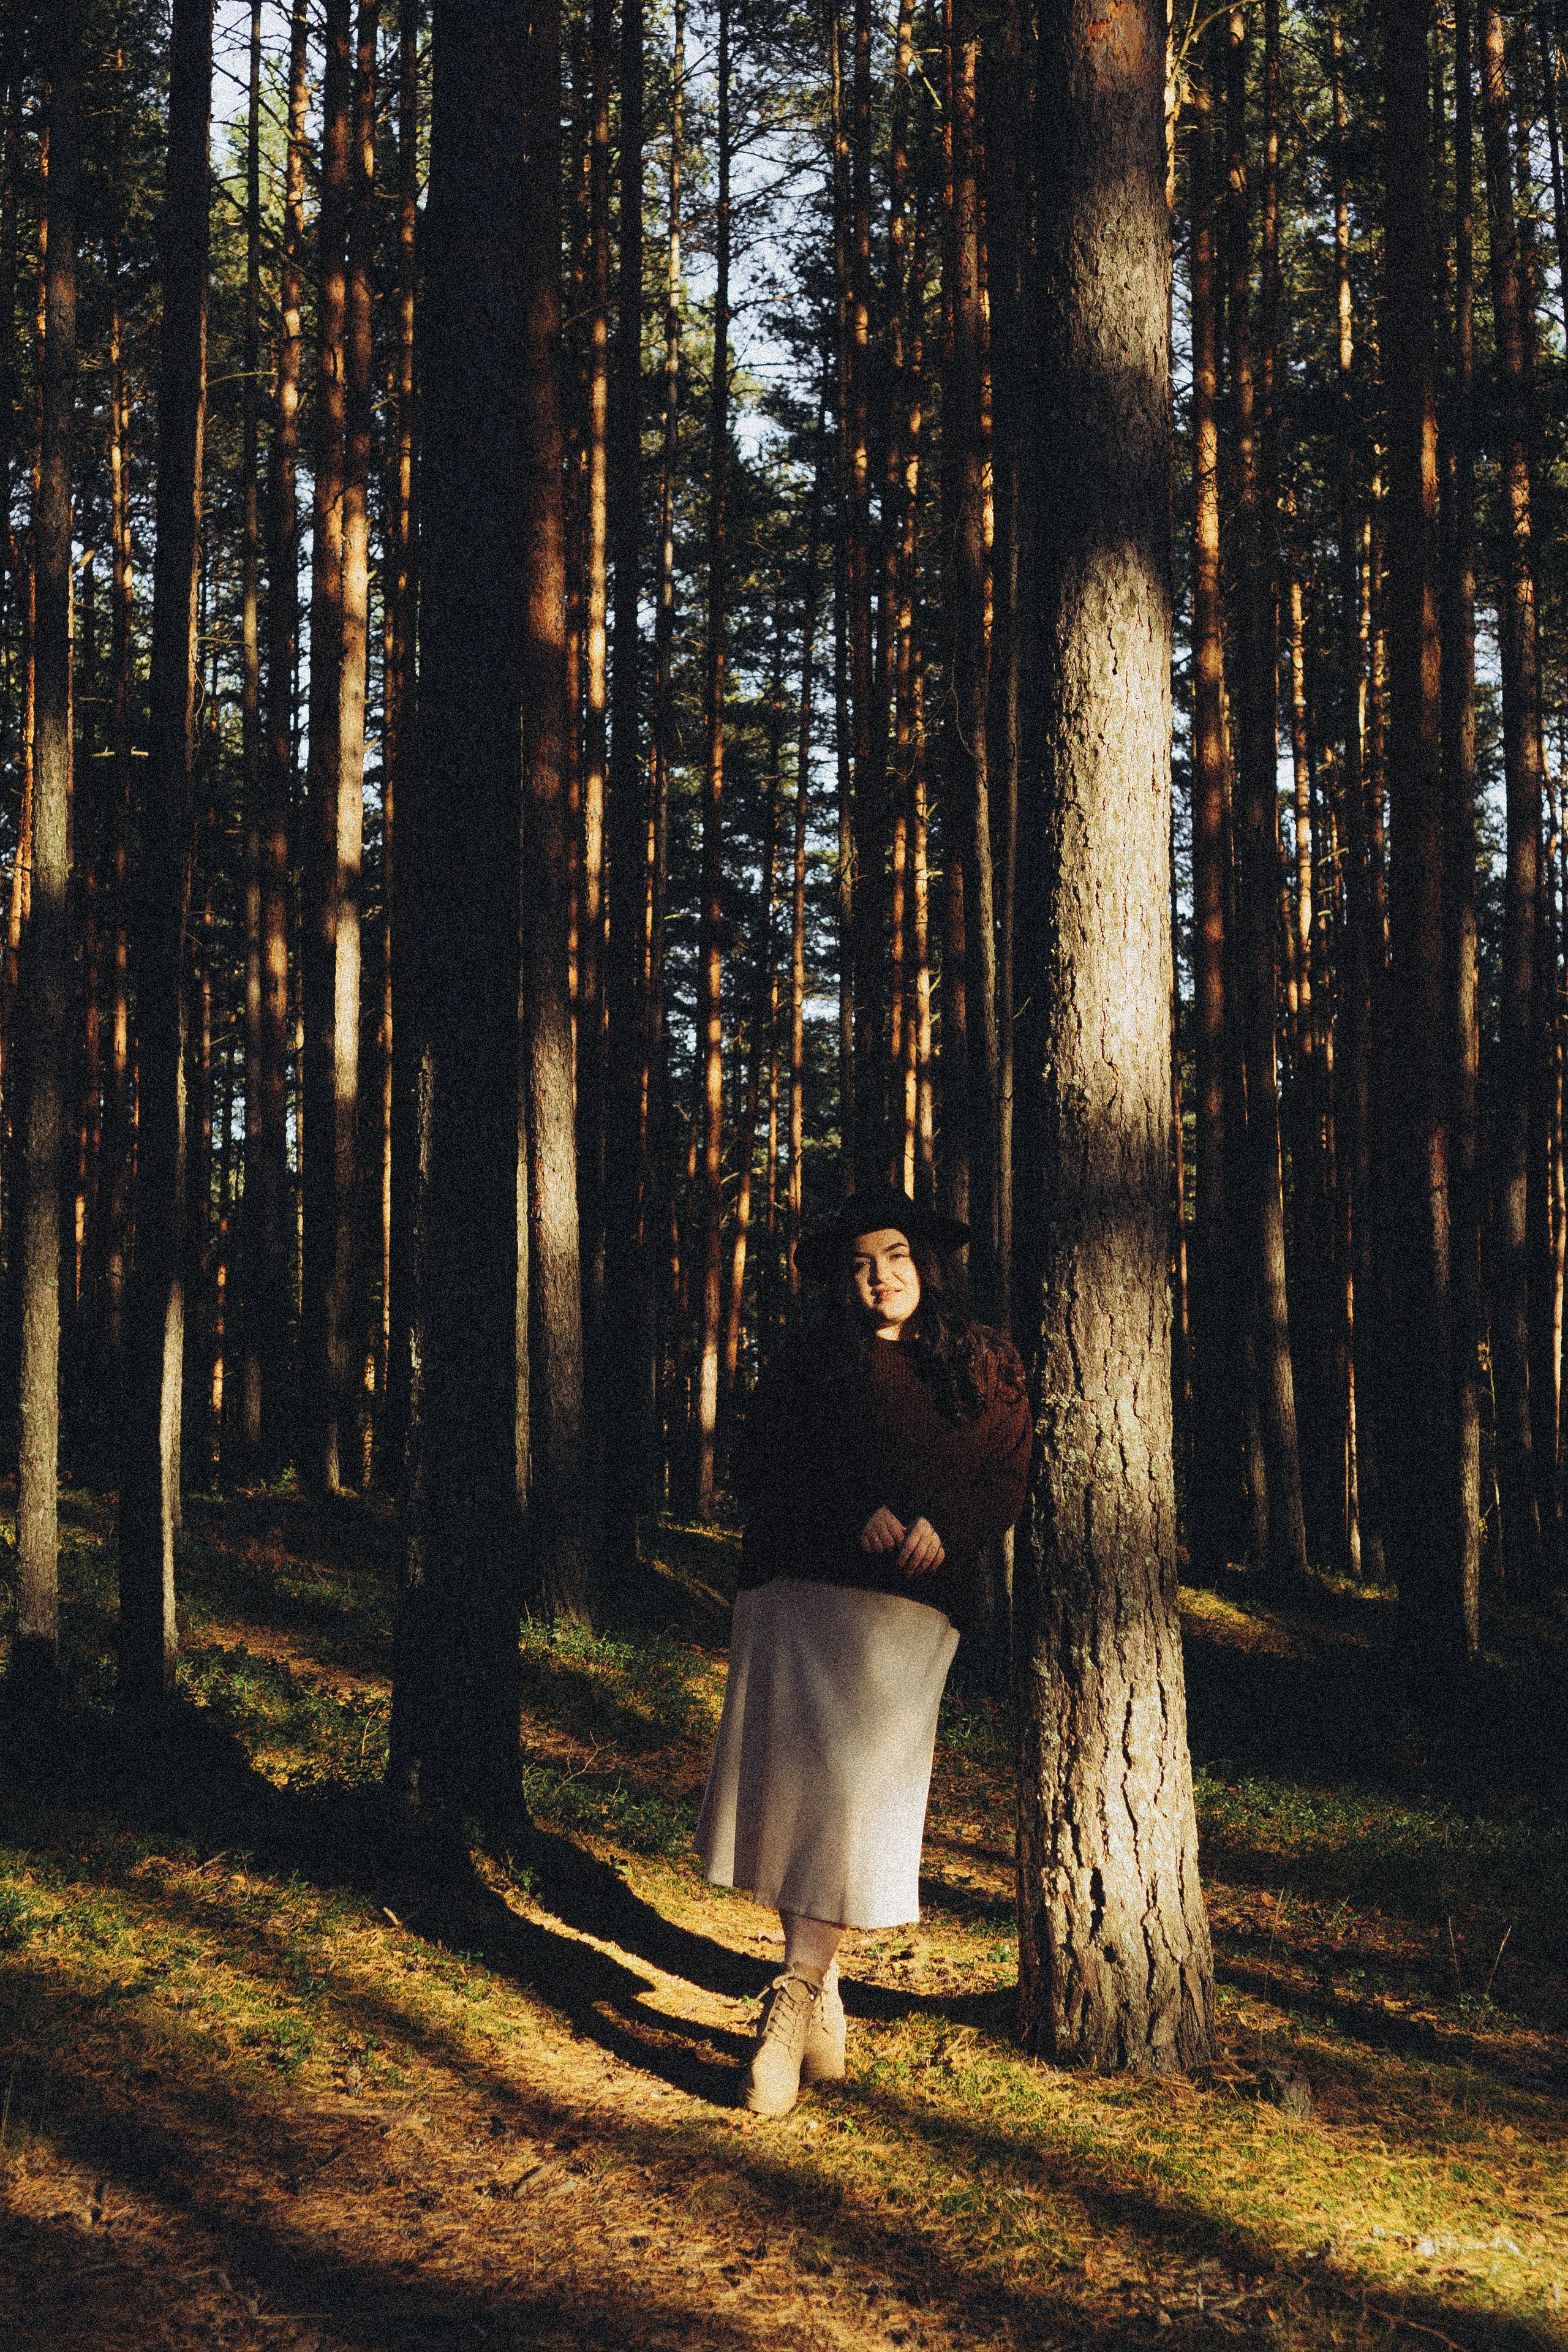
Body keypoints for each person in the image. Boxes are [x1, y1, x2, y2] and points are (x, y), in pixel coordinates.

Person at [694, 1182, 1032, 2117]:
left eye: (894, 1257)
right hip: (798, 1589)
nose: (879, 1278)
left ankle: (793, 1996)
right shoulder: (812, 1361)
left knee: (852, 1797)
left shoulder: (988, 1364)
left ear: (927, 1264)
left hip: (911, 1612)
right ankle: (816, 1991)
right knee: (799, 1798)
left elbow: (1008, 1473)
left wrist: (949, 1526)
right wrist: (849, 1506)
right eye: (859, 1265)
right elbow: (762, 1462)